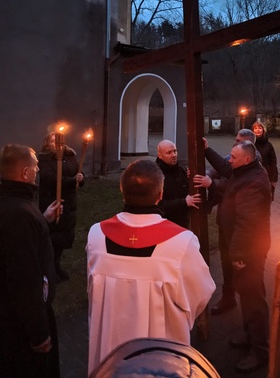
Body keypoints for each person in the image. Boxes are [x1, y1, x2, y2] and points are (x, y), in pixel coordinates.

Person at [86, 159, 216, 376]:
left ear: (121, 190)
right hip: (161, 361)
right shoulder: (182, 242)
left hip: (109, 356)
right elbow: (201, 294)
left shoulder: (96, 235)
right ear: (161, 194)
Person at [0, 144, 61, 378]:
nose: (37, 170)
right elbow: (23, 278)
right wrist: (38, 332)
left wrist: (42, 220)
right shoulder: (20, 215)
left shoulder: (15, 206)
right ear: (25, 173)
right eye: (35, 167)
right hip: (19, 327)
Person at [216, 141, 272, 373]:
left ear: (247, 159)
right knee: (246, 293)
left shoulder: (253, 182)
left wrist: (238, 253)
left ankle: (260, 351)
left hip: (250, 250)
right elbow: (225, 172)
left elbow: (247, 222)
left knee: (253, 298)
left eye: (233, 157)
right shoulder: (245, 172)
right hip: (245, 246)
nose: (230, 160)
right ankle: (249, 335)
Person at [193, 129, 259, 316]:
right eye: (235, 140)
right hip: (226, 219)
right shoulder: (235, 157)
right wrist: (203, 172)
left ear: (249, 148)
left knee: (242, 268)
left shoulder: (253, 163)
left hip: (240, 228)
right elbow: (219, 168)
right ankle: (229, 297)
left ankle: (250, 316)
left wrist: (211, 184)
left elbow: (232, 182)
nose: (235, 145)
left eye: (240, 142)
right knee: (225, 261)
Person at [38, 132, 84, 282]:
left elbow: (78, 171)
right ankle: (49, 267)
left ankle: (56, 264)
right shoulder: (45, 159)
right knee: (53, 234)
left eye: (59, 142)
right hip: (52, 200)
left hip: (69, 201)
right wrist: (71, 181)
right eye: (53, 141)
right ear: (47, 144)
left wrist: (80, 178)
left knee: (64, 234)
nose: (58, 144)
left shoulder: (70, 156)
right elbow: (49, 178)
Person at [156, 139, 201, 228]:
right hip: (164, 223)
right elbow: (158, 204)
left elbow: (186, 191)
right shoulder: (155, 174)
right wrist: (183, 202)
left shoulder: (181, 170)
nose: (174, 155)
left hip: (182, 222)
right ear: (160, 155)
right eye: (169, 152)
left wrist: (189, 180)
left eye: (175, 151)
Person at [251, 121, 278, 200]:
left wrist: (274, 179)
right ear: (252, 131)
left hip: (266, 175)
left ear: (263, 130)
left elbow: (273, 162)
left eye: (260, 128)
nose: (258, 130)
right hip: (252, 175)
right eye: (255, 128)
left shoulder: (268, 145)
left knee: (265, 199)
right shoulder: (250, 144)